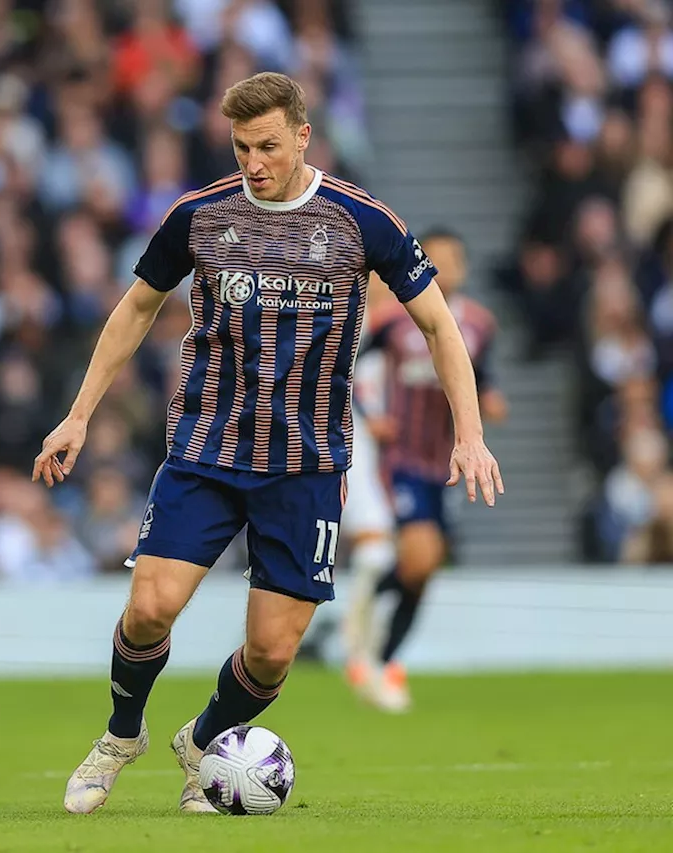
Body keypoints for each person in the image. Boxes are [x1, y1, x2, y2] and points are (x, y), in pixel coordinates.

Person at [33, 73, 503, 815]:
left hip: (307, 466)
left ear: (304, 136)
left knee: (272, 653)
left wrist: (469, 435)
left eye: (270, 146)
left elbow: (441, 327)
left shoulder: (361, 220)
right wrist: (79, 414)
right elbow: (135, 309)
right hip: (206, 451)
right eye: (243, 146)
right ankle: (122, 735)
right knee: (151, 608)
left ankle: (204, 739)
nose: (255, 161)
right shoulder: (198, 214)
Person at [347, 228, 508, 712]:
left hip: (449, 460)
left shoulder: (480, 324)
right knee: (420, 556)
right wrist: (371, 415)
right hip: (400, 459)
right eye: (433, 260)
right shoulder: (394, 321)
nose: (444, 269)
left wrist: (490, 402)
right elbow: (346, 367)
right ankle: (378, 654)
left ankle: (377, 641)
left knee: (425, 566)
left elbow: (486, 380)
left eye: (452, 260)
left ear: (464, 267)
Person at [339, 274, 399, 695]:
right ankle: (360, 649)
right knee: (377, 548)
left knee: (385, 550)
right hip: (351, 440)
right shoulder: (354, 323)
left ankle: (365, 648)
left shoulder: (398, 330)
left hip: (389, 452)